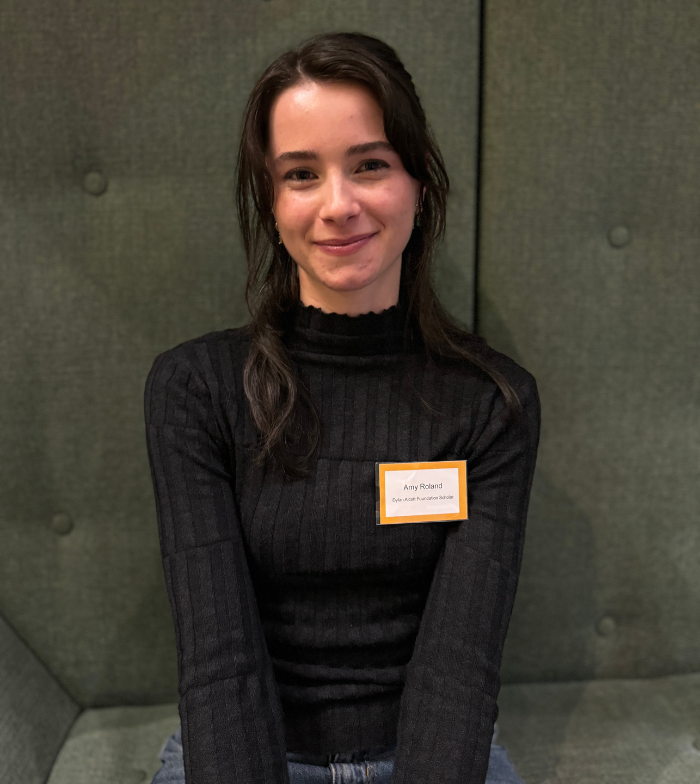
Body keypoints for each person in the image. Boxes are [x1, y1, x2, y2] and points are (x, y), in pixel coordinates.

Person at [144, 31, 540, 784]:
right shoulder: (195, 390)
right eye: (301, 174)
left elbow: (460, 669)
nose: (338, 205)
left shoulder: (494, 403)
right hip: (245, 749)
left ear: (419, 185)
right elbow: (218, 659)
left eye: (369, 165)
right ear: (270, 200)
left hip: (431, 752)